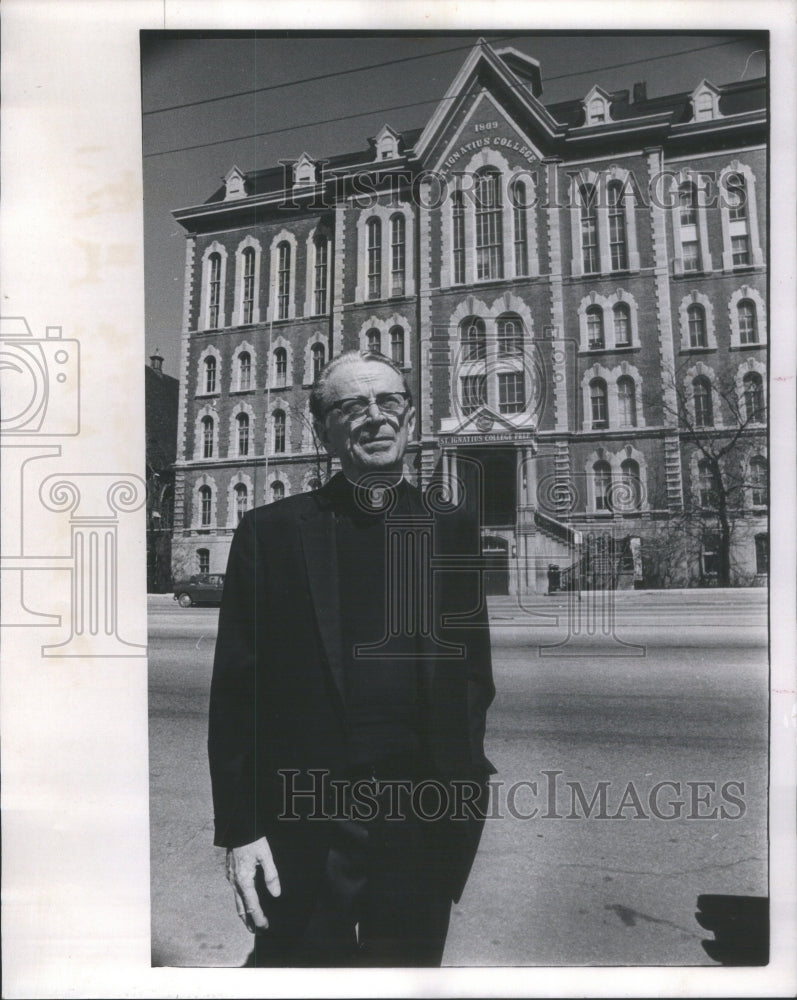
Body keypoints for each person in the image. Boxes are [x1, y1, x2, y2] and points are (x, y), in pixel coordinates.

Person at [208, 350, 494, 967]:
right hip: (306, 825)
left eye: (389, 401)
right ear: (323, 430)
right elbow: (235, 696)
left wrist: (461, 788)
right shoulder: (271, 532)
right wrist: (240, 829)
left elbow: (473, 677)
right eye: (352, 405)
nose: (375, 418)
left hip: (422, 820)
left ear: (410, 418)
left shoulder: (451, 528)